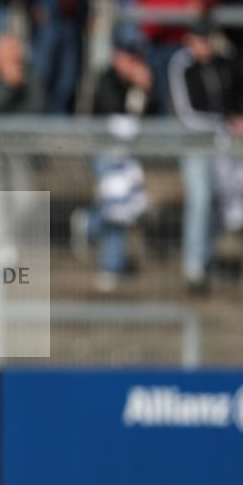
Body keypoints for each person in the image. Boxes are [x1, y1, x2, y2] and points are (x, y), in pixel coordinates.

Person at [168, 20, 243, 293]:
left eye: (208, 39)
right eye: (200, 40)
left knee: (221, 201)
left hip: (221, 144)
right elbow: (187, 113)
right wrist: (228, 122)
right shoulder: (181, 64)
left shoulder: (223, 63)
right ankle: (193, 268)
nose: (205, 46)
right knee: (200, 198)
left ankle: (205, 260)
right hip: (195, 144)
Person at [72, 31, 159, 292]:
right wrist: (133, 86)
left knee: (125, 205)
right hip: (106, 152)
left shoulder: (141, 83)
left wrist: (145, 90)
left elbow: (153, 116)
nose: (131, 62)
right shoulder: (105, 78)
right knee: (118, 204)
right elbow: (113, 115)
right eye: (126, 56)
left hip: (130, 156)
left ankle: (89, 223)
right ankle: (110, 265)